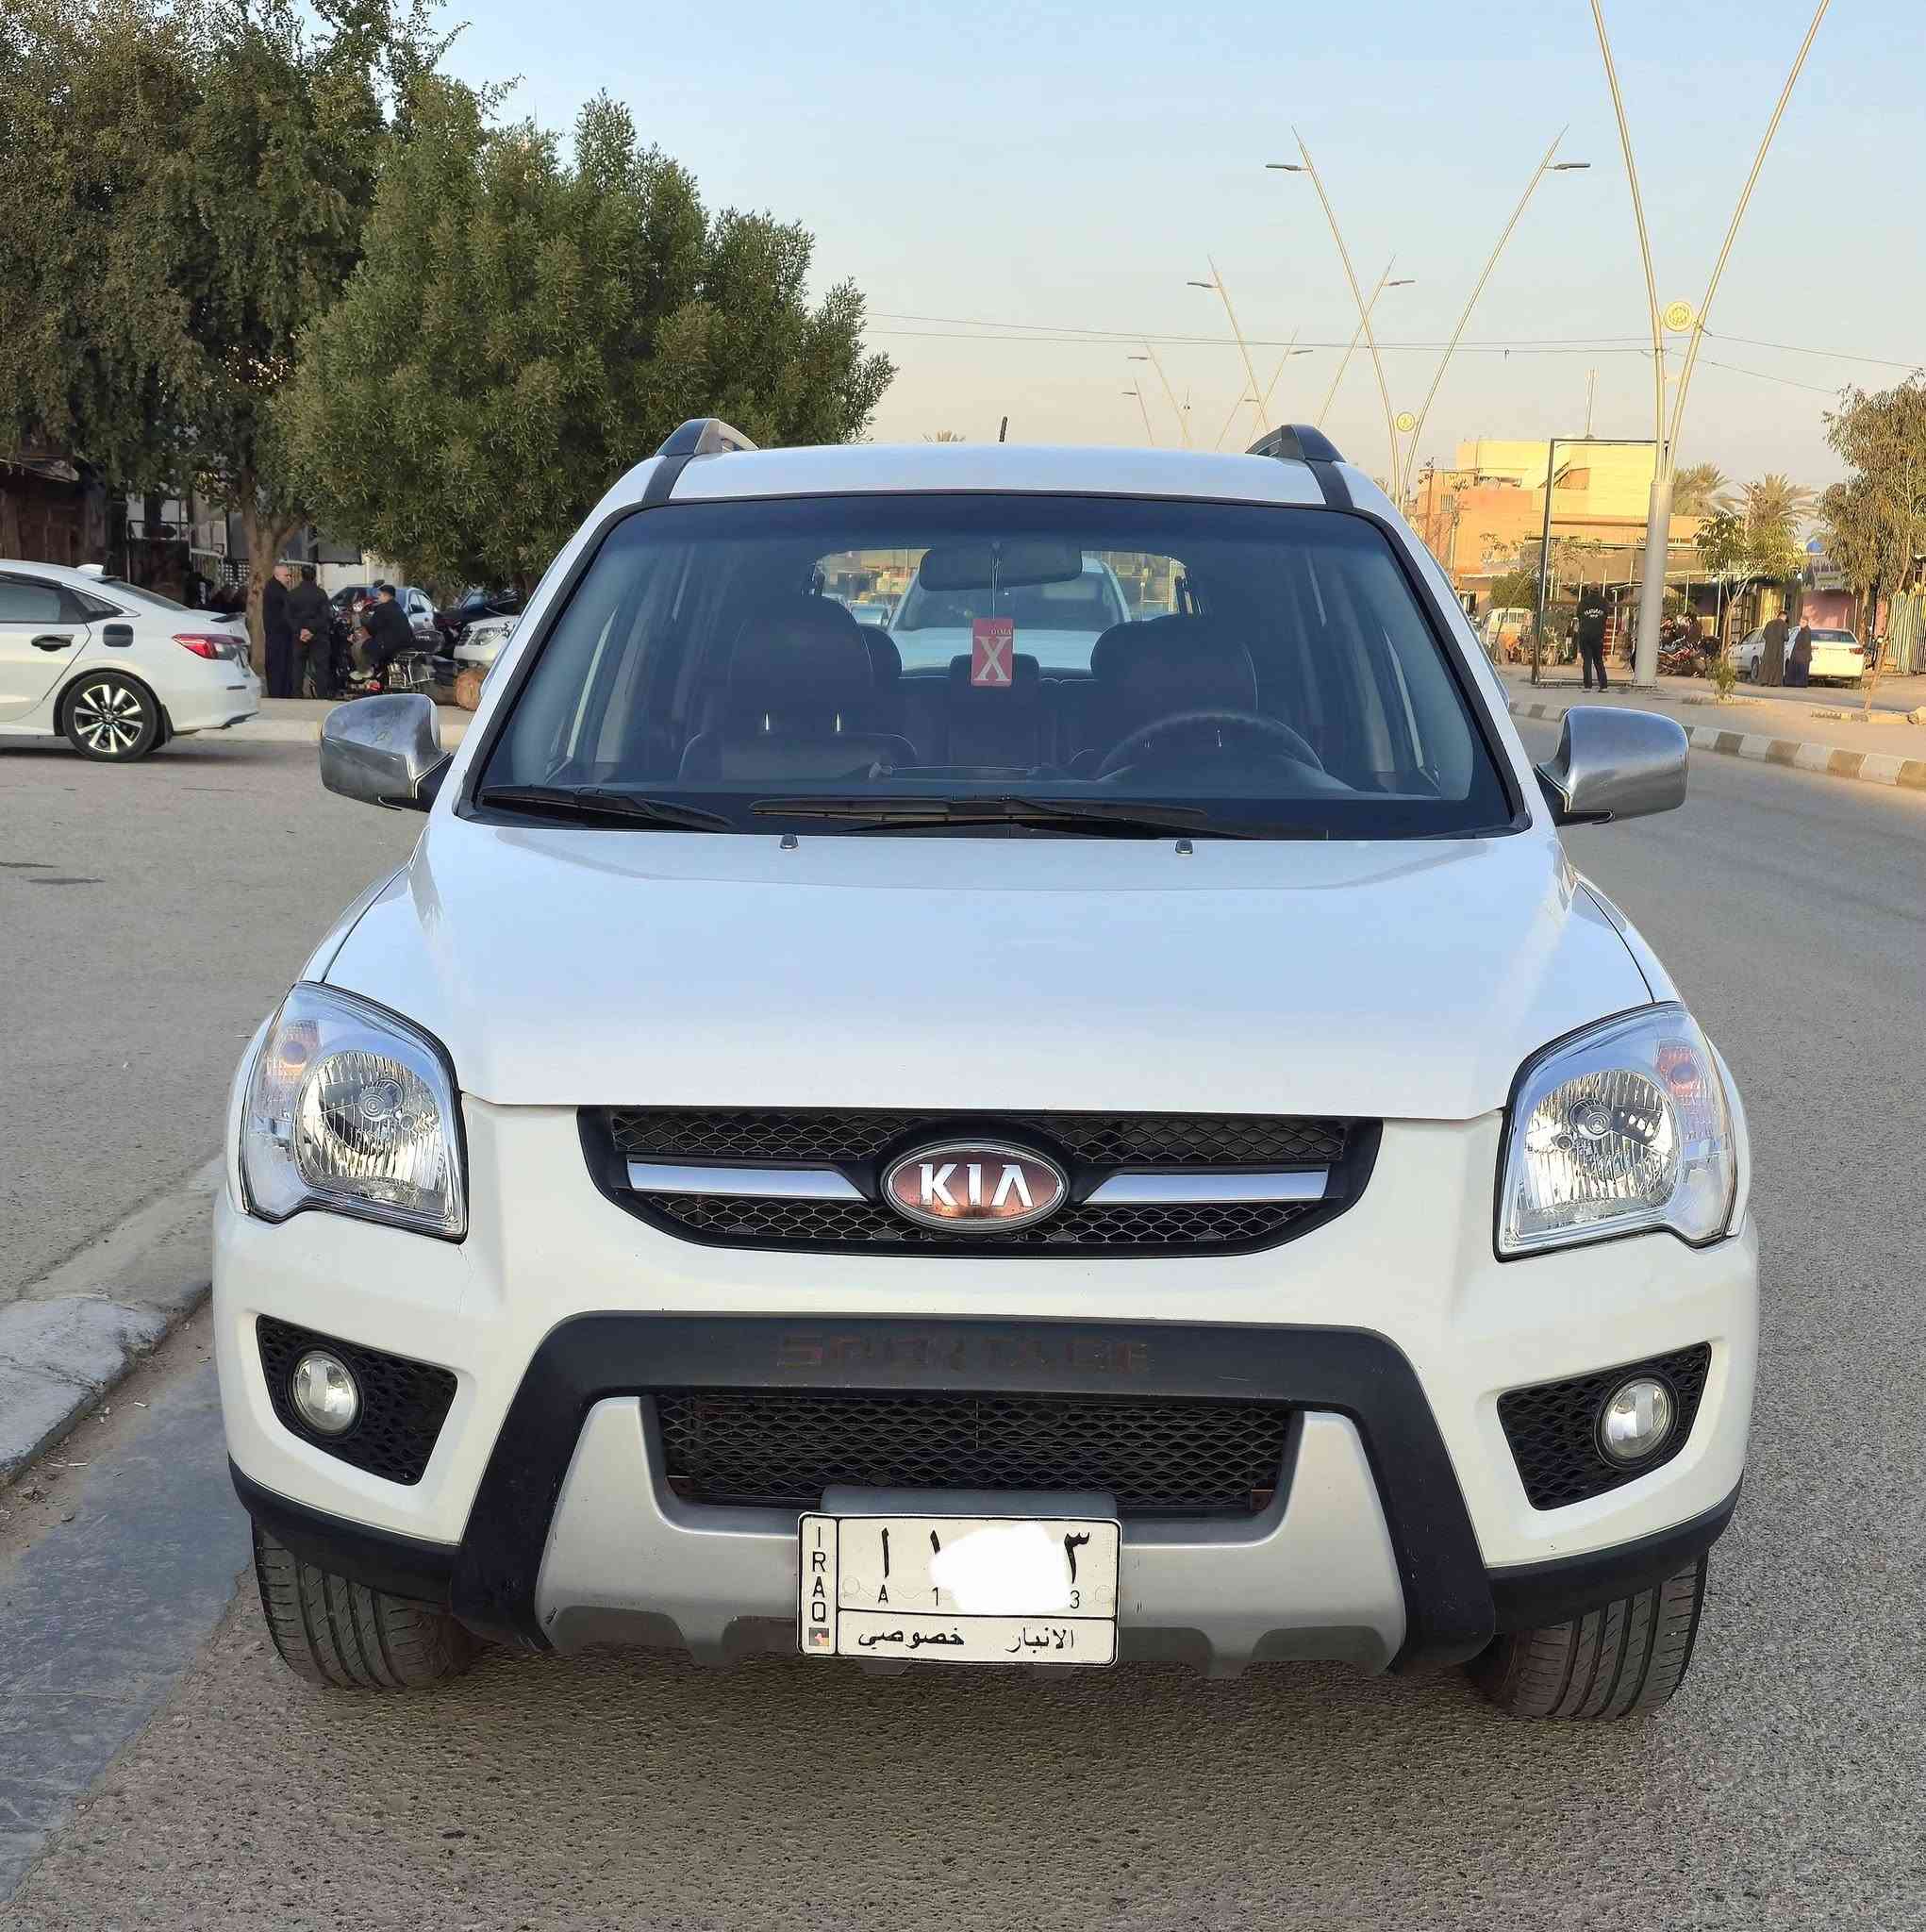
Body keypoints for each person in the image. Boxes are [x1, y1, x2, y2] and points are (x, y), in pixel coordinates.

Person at [285, 564, 333, 698]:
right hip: (318, 635)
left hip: (299, 636)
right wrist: (311, 630)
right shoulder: (321, 594)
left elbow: (288, 616)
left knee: (298, 666)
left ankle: (297, 694)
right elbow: (325, 615)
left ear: (301, 576)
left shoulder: (292, 594)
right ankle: (321, 694)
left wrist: (300, 630)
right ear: (314, 577)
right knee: (321, 666)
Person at [359, 581, 416, 684]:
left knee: (359, 647)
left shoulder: (383, 608)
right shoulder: (398, 607)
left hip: (389, 645)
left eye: (380, 595)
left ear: (386, 596)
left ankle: (365, 676)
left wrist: (363, 621)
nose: (378, 597)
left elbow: (372, 628)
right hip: (405, 644)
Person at [262, 561, 295, 697]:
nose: (289, 578)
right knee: (279, 665)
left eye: (289, 575)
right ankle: (279, 692)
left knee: (282, 664)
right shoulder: (276, 590)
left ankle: (281, 691)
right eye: (286, 575)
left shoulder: (275, 588)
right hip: (278, 634)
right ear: (277, 575)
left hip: (279, 634)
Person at [1574, 583, 1609, 691]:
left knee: (1587, 661)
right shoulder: (1604, 602)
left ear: (1589, 590)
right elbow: (1606, 615)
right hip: (1598, 635)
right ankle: (1603, 685)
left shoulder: (1583, 602)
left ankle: (1588, 685)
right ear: (1599, 590)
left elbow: (1578, 615)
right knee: (1599, 661)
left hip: (1585, 634)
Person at [1759, 608, 1787, 686]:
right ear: (1784, 616)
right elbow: (1786, 637)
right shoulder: (1784, 625)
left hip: (1768, 648)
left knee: (1767, 664)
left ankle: (1764, 681)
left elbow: (1764, 635)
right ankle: (1774, 682)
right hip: (1778, 649)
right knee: (1776, 665)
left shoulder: (1769, 623)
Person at [1786, 613, 1814, 688]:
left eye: (1802, 622)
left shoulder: (1806, 631)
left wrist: (1798, 649)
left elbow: (1805, 643)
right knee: (1797, 670)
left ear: (1806, 623)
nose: (1800, 623)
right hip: (1800, 655)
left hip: (1802, 656)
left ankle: (1800, 683)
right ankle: (1795, 683)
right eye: (1800, 622)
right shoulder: (1802, 630)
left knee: (1801, 670)